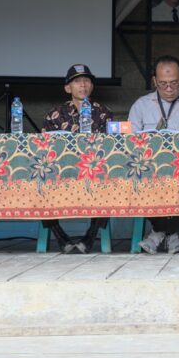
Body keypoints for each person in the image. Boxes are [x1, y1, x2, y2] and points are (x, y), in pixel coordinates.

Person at [128, 55, 179, 255]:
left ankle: (157, 233)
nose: (168, 89)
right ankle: (171, 234)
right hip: (150, 170)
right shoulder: (141, 105)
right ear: (155, 81)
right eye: (163, 84)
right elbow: (128, 143)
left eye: (173, 83)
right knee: (134, 176)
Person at [41, 64, 115, 254]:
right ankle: (60, 236)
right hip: (61, 171)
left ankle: (91, 236)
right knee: (40, 179)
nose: (83, 85)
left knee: (110, 179)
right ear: (68, 88)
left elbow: (113, 147)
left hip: (94, 171)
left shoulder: (104, 112)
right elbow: (43, 149)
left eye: (87, 80)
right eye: (77, 81)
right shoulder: (54, 114)